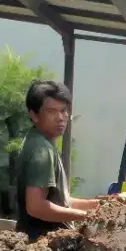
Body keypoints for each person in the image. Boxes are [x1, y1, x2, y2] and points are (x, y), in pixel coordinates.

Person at [15, 79, 100, 240]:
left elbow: (61, 202)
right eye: (51, 111)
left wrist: (96, 207)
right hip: (42, 246)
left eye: (64, 110)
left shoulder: (39, 141)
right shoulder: (42, 150)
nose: (61, 117)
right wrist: (86, 216)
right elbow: (36, 206)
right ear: (34, 115)